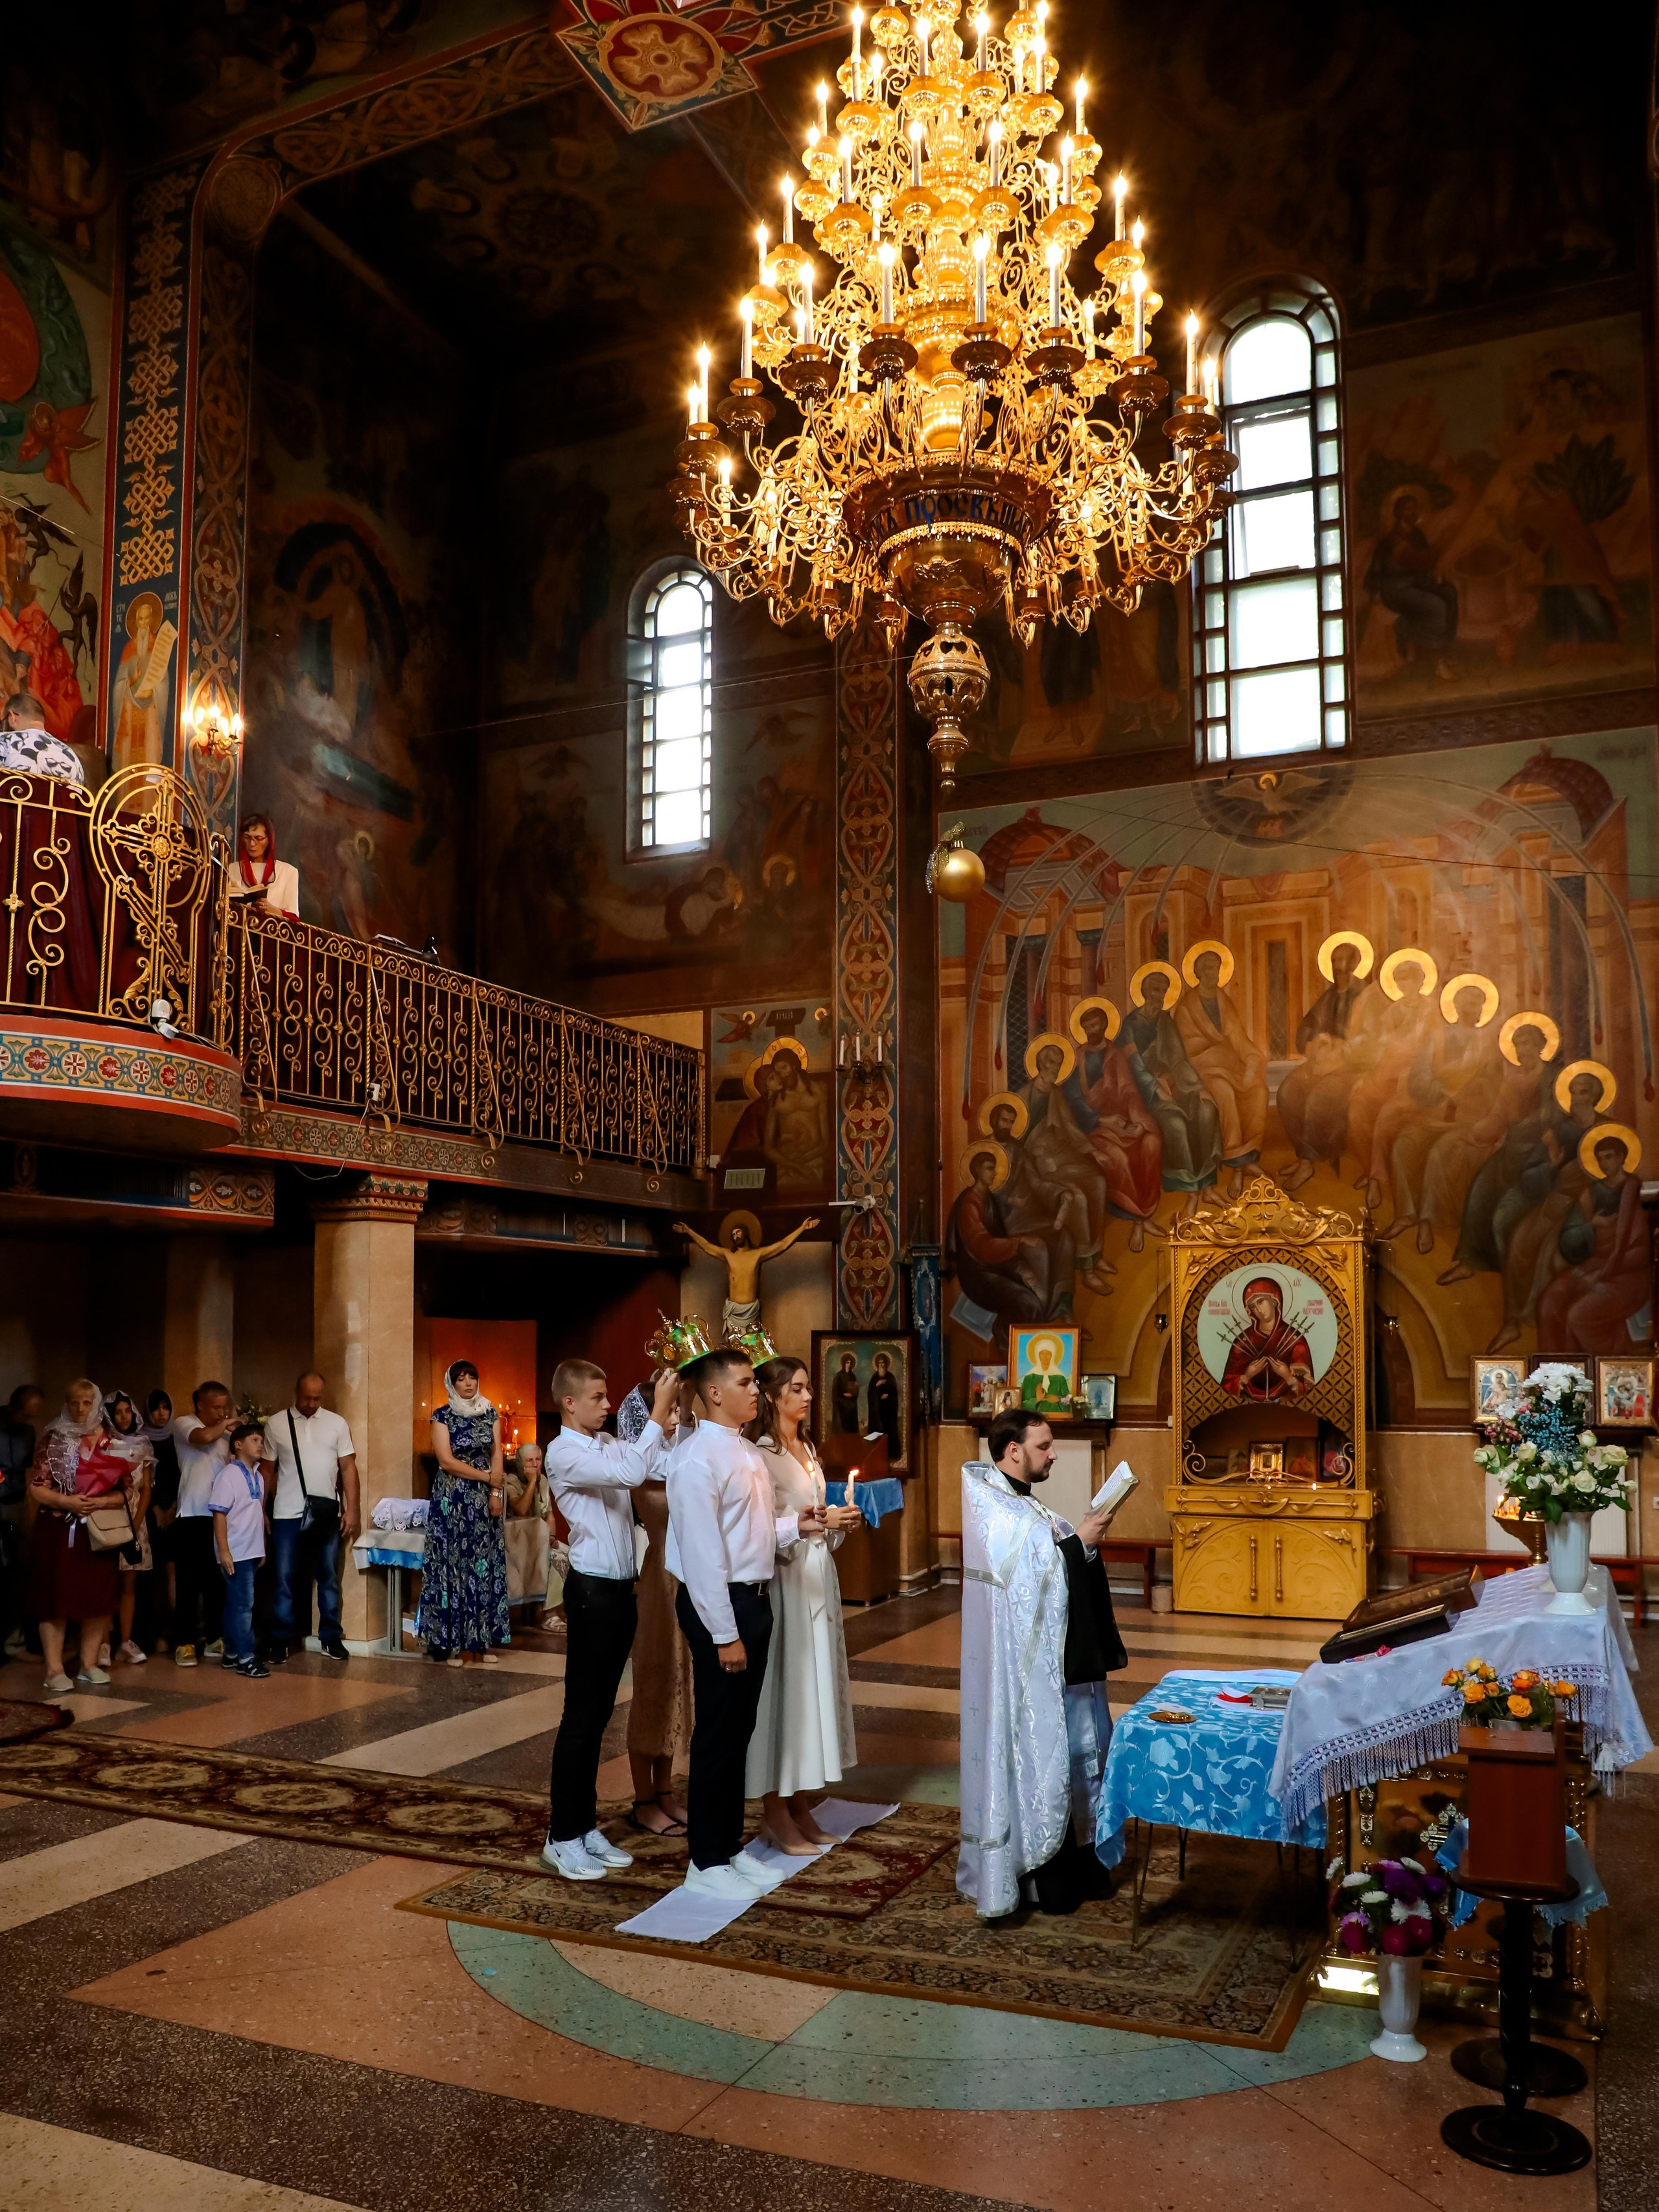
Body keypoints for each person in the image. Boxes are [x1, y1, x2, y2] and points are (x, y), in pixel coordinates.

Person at [958, 1408, 1127, 1917]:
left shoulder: (1022, 1503)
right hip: (1021, 1677)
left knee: (1077, 1754)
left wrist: (1081, 1547)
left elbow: (1050, 1557)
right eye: (1044, 1445)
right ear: (1013, 1450)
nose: (1053, 1453)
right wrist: (1080, 1544)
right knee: (1040, 1760)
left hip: (1059, 1667)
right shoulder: (993, 1506)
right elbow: (1031, 1581)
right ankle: (1035, 1869)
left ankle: (1078, 1857)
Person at [667, 1344, 811, 1901]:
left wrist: (797, 1526)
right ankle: (704, 1859)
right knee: (718, 1733)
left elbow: (749, 1535)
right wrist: (724, 1632)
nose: (757, 1390)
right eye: (748, 1382)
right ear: (714, 1393)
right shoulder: (696, 1457)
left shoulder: (743, 1449)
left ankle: (727, 1848)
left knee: (740, 1730)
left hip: (752, 1595)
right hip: (718, 1604)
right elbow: (703, 1555)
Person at [540, 1360, 679, 1881]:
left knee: (599, 1715)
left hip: (622, 1591)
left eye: (608, 1396)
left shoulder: (607, 1444)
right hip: (592, 1590)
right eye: (598, 1397)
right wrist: (657, 1411)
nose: (608, 1404)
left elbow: (660, 1466)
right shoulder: (563, 1450)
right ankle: (561, 1833)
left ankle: (583, 1824)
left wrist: (673, 1423)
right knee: (580, 1716)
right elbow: (631, 1473)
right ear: (570, 1402)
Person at [744, 1356, 862, 1853]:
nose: (809, 1395)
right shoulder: (760, 1455)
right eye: (797, 1388)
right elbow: (756, 1533)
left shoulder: (807, 1448)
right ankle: (774, 1809)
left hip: (816, 1579)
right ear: (772, 1396)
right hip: (783, 1585)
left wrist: (837, 1523)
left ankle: (798, 1805)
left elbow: (812, 1520)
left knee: (810, 1695)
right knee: (785, 1695)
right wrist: (810, 1526)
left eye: (810, 1387)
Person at [619, 1376, 694, 1837]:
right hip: (660, 1578)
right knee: (653, 1681)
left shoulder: (680, 1455)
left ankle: (666, 1791)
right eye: (669, 1411)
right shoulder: (640, 1462)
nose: (677, 1418)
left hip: (686, 1578)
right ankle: (643, 1799)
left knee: (678, 1681)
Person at [27, 1382, 136, 1693]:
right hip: (59, 1527)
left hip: (98, 1529)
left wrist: (99, 1502)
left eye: (87, 1403)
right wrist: (66, 1502)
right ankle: (54, 1668)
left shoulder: (109, 1440)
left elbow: (126, 1489)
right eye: (74, 1403)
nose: (80, 1410)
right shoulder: (53, 1436)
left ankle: (88, 1664)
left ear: (96, 1404)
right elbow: (37, 1486)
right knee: (56, 1597)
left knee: (98, 1598)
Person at [260, 1371, 358, 1664]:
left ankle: (330, 1637)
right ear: (296, 1392)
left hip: (327, 1512)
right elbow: (266, 1470)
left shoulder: (337, 1424)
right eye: (307, 1398)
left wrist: (352, 1509)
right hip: (286, 1513)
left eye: (317, 1398)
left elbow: (348, 1469)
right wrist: (259, 1510)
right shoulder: (277, 1424)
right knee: (284, 1578)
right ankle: (281, 1640)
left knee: (328, 1577)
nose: (312, 1403)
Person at [419, 1360, 508, 1666]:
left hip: (484, 1500)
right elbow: (445, 1461)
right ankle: (449, 1643)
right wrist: (486, 1478)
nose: (468, 1383)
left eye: (472, 1377)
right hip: (452, 1499)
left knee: (482, 1566)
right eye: (461, 1379)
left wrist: (496, 1492)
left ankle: (480, 1642)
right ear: (452, 1384)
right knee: (453, 1565)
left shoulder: (490, 1412)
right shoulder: (442, 1416)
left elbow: (497, 1452)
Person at [673, 1213, 820, 1343]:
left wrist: (802, 1229)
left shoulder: (757, 1255)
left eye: (738, 1232)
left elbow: (781, 1246)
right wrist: (688, 1231)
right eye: (733, 1234)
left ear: (746, 1233)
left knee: (753, 1349)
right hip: (733, 1312)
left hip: (751, 1312)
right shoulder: (729, 1255)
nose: (736, 1236)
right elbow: (706, 1246)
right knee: (735, 1351)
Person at [170, 1381, 234, 1668]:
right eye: (216, 1407)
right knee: (188, 1583)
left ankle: (214, 1639)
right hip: (191, 1515)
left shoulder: (226, 1435)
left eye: (225, 1407)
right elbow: (203, 1438)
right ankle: (184, 1643)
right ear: (200, 1406)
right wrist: (228, 1425)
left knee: (216, 1583)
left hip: (219, 1516)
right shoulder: (185, 1423)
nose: (221, 1413)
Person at [211, 1423, 272, 1679]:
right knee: (244, 1605)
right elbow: (219, 1514)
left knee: (236, 1603)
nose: (260, 1445)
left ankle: (232, 1653)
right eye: (255, 1440)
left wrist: (262, 1548)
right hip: (235, 1552)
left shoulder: (258, 1475)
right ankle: (247, 1658)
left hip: (251, 1550)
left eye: (261, 1440)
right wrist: (224, 1551)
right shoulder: (228, 1476)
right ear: (238, 1444)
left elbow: (257, 1516)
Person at [101, 1390, 154, 1666]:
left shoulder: (143, 1445)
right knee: (106, 1583)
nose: (123, 1416)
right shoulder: (102, 1443)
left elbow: (146, 1488)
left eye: (127, 1411)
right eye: (117, 1411)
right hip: (108, 1518)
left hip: (135, 1519)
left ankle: (125, 1640)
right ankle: (102, 1643)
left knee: (128, 1584)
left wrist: (135, 1522)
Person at [0, 1382, 43, 1659]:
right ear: (14, 1407)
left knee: (20, 1568)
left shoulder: (28, 1432)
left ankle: (14, 1640)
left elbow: (27, 1467)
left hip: (15, 1505)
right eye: (25, 1415)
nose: (28, 1422)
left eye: (32, 1418)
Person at [1223, 1278, 1314, 1401]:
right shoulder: (1243, 1342)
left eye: (1261, 1302)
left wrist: (1287, 1376)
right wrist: (1247, 1376)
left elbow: (1309, 1391)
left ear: (1275, 1301)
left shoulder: (1294, 1340)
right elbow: (1227, 1386)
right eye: (1253, 1306)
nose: (1258, 1310)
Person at [142, 1390, 181, 1654]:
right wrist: (156, 1509)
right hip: (148, 1512)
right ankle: (149, 1635)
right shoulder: (141, 1440)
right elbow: (143, 1480)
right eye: (156, 1408)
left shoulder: (178, 1440)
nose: (161, 1413)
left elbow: (185, 1476)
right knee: (149, 1577)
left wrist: (174, 1508)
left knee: (174, 1573)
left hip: (177, 1512)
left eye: (166, 1407)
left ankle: (176, 1632)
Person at [504, 1437, 551, 1611]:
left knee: (565, 1555)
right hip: (517, 1540)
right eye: (529, 1461)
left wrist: (552, 1536)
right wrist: (532, 1482)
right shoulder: (511, 1481)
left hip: (539, 1538)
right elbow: (522, 1511)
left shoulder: (544, 1481)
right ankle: (544, 1613)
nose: (534, 1465)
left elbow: (549, 1514)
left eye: (538, 1460)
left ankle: (551, 1610)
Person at [233, 812, 301, 918]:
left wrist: (270, 909)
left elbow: (293, 919)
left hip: (272, 932)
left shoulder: (288, 872)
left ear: (269, 840)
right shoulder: (232, 869)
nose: (252, 844)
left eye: (259, 838)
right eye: (247, 837)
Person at [867, 1351, 901, 1465]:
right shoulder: (874, 1378)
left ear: (887, 1365)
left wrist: (889, 1395)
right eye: (880, 1364)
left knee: (889, 1434)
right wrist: (877, 1387)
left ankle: (891, 1455)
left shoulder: (891, 1377)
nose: (881, 1366)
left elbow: (894, 1394)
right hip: (877, 1414)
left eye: (883, 1364)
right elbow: (871, 1395)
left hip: (888, 1413)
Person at [830, 1350, 861, 1434]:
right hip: (842, 1407)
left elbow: (856, 1392)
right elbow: (835, 1393)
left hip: (851, 1407)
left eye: (850, 1363)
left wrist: (853, 1394)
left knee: (851, 1430)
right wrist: (844, 1395)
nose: (849, 1365)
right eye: (847, 1363)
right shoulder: (838, 1376)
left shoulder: (853, 1376)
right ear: (844, 1364)